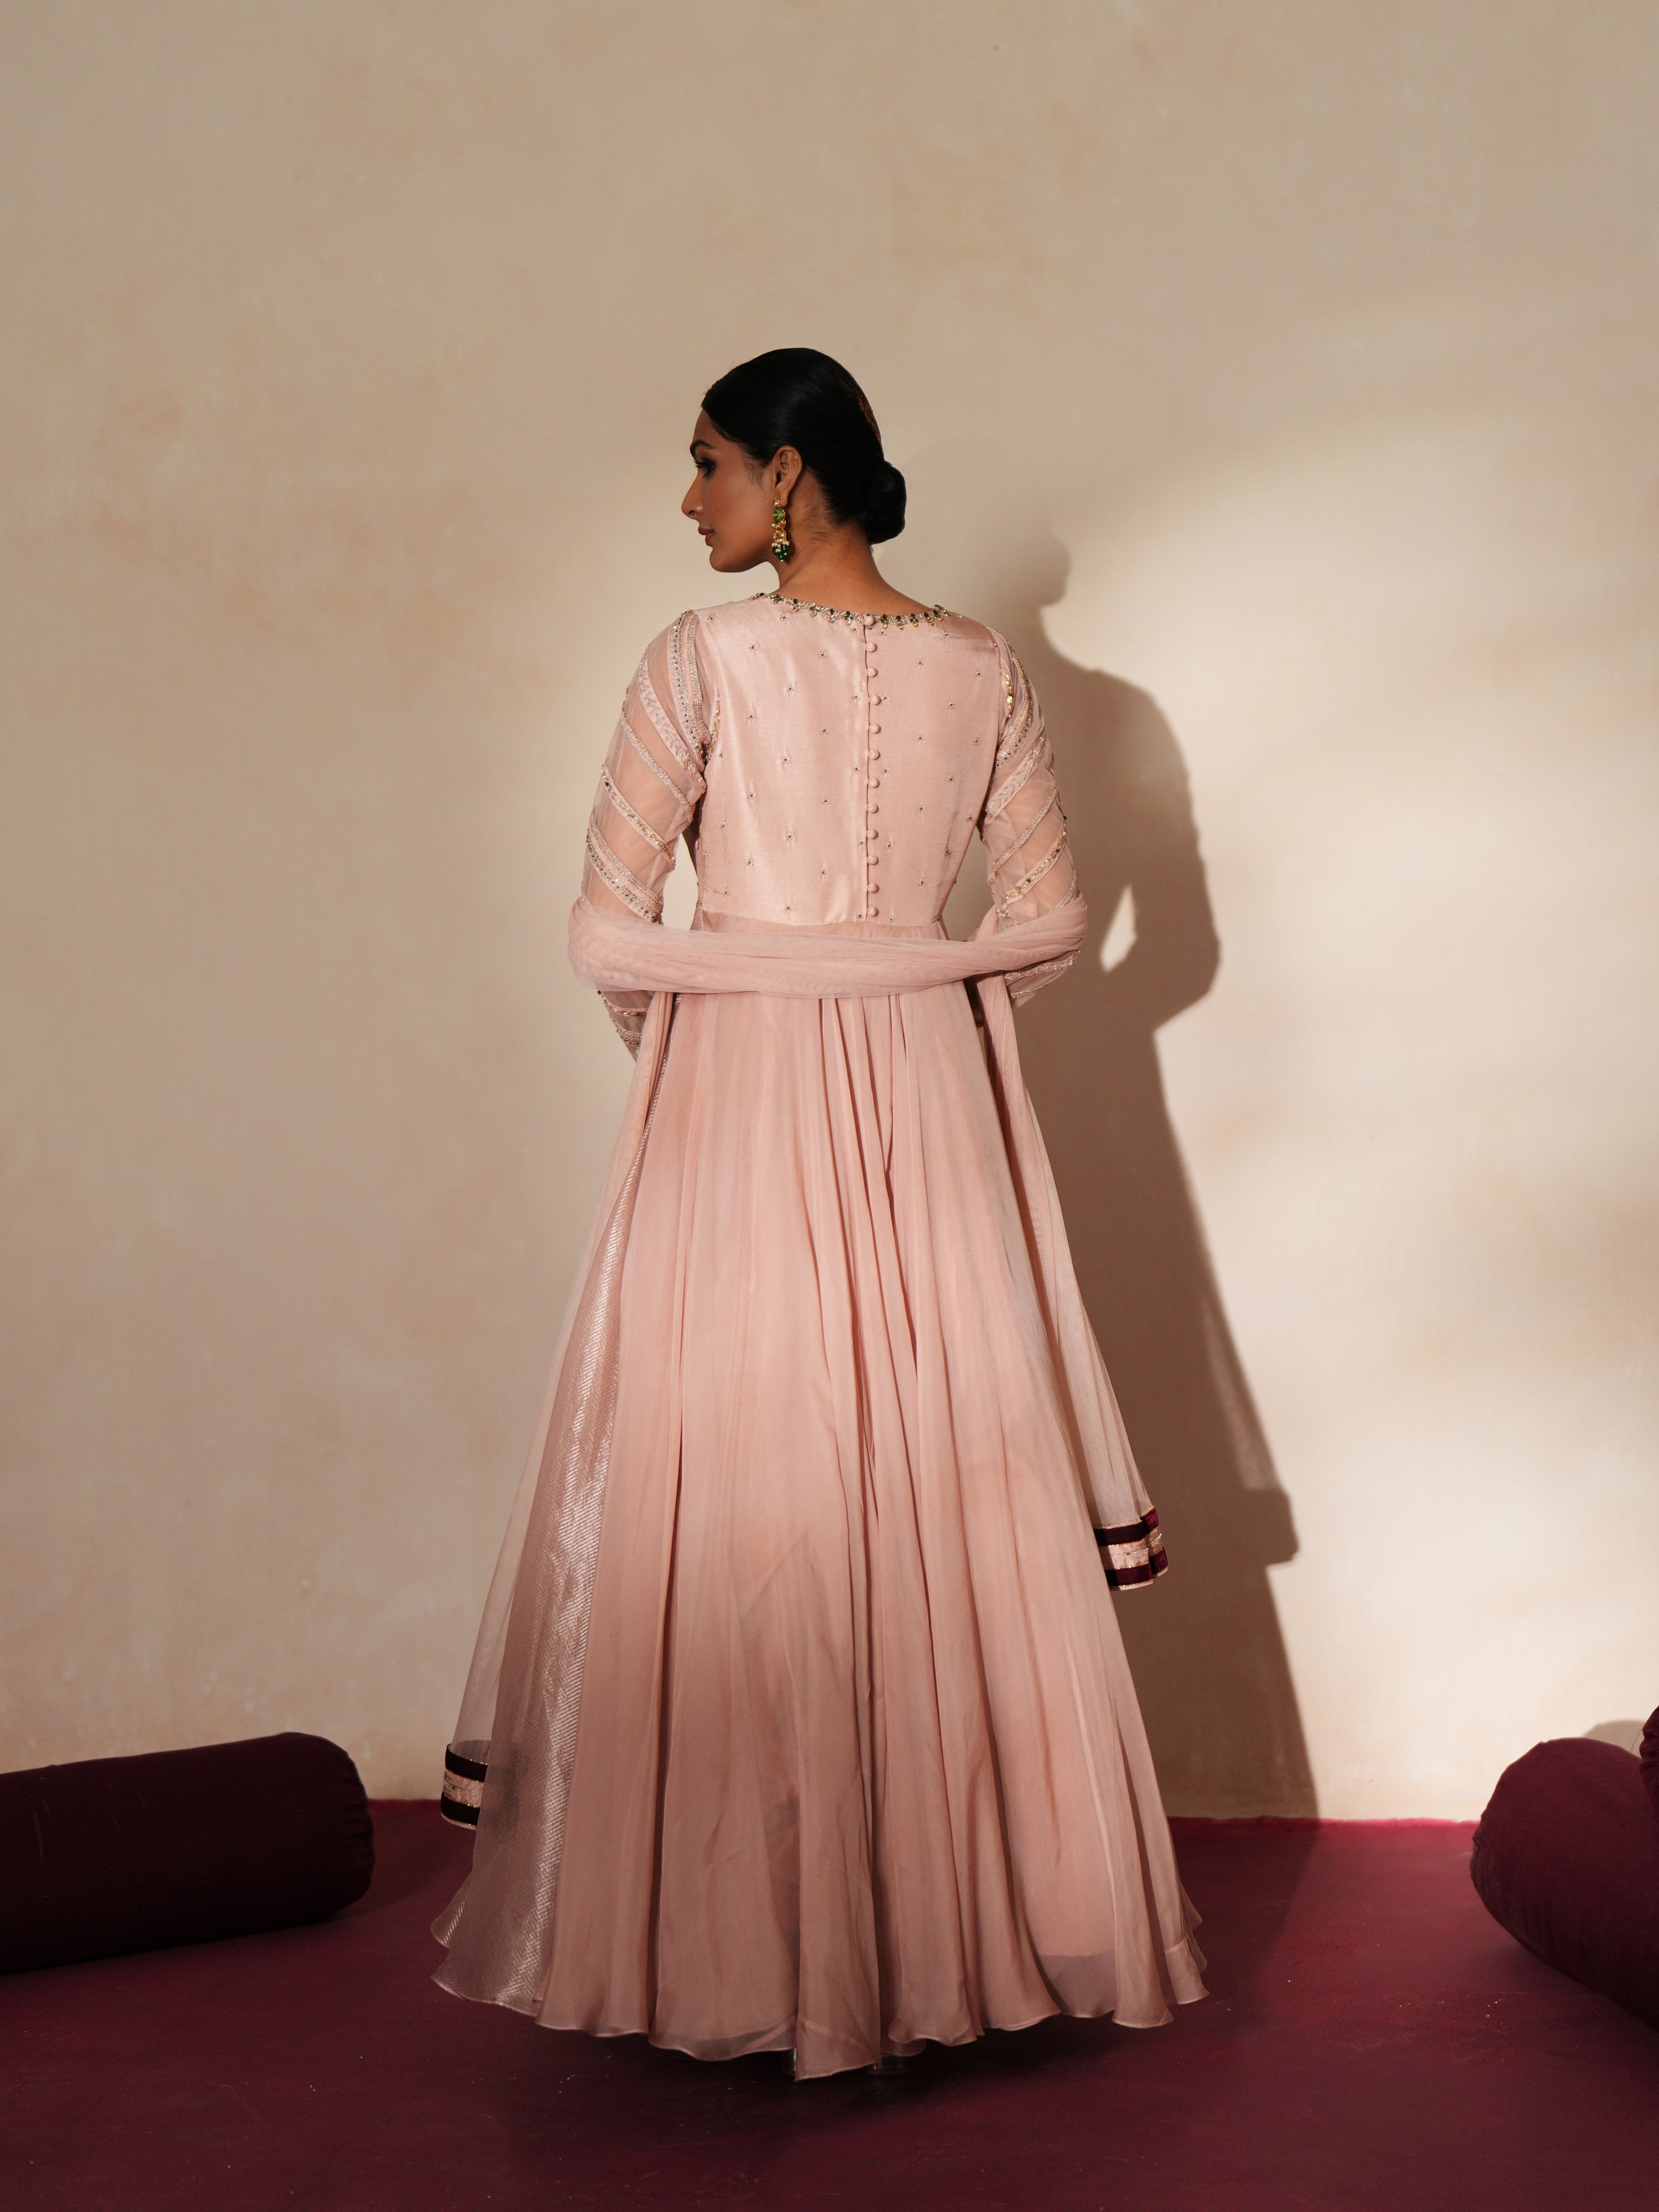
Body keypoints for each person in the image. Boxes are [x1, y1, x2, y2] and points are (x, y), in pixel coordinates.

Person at [431, 348, 1207, 2080]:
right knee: (933, 1469)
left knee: (750, 1481)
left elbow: (609, 935)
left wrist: (726, 1023)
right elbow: (1058, 922)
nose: (688, 498)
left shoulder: (697, 658)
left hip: (742, 1102)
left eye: (706, 463)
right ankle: (952, 1944)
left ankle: (754, 1951)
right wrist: (907, 982)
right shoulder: (979, 667)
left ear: (791, 474)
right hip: (924, 1087)